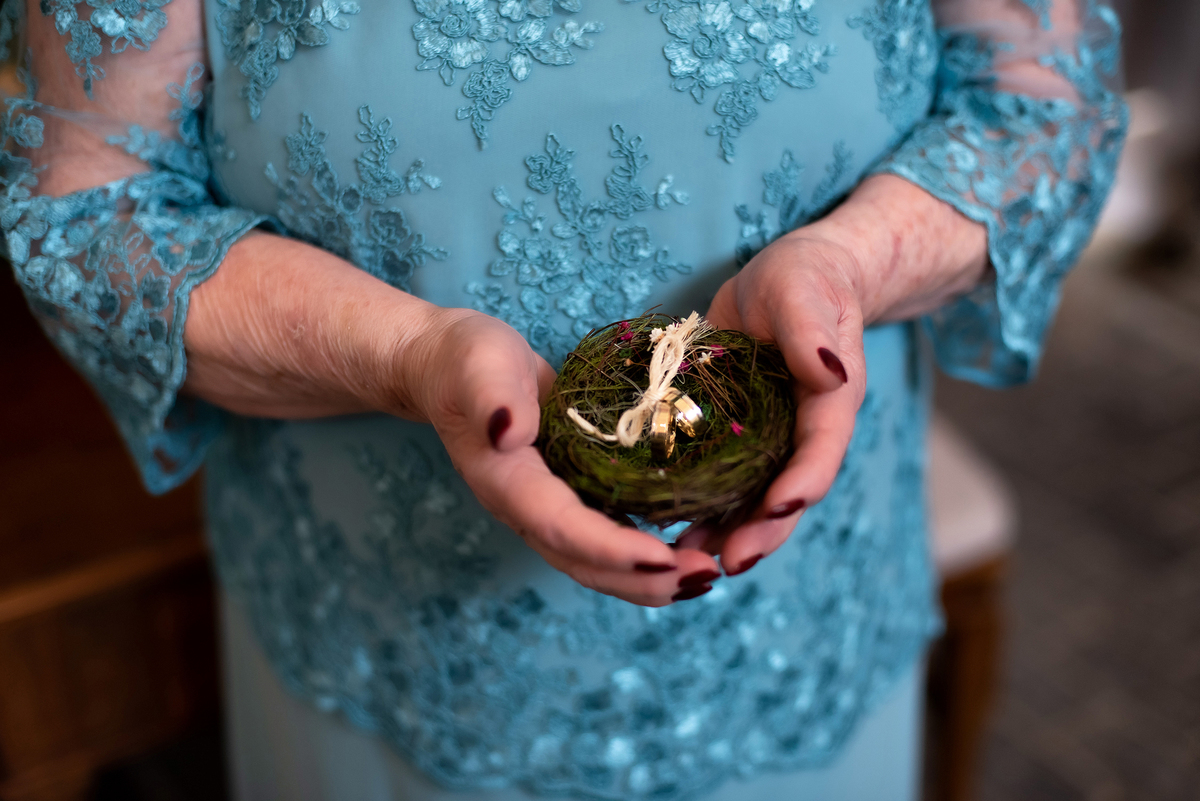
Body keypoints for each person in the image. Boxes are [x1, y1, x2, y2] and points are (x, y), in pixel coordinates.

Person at [0, 0, 1125, 798]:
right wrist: (406, 357)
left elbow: (1042, 113)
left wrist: (848, 268)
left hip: (794, 622)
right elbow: (90, 215)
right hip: (379, 638)